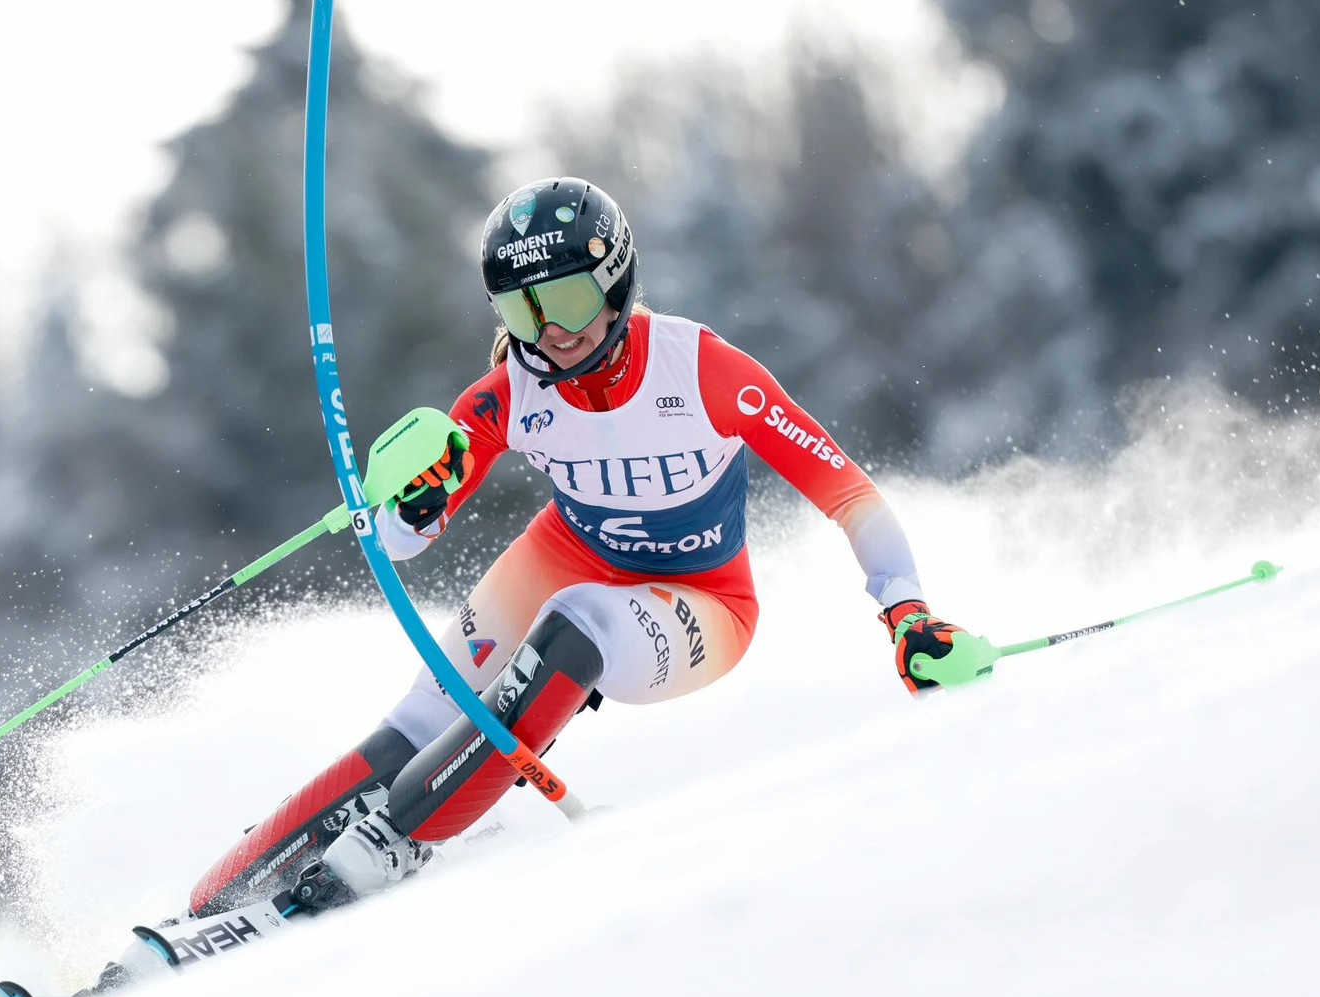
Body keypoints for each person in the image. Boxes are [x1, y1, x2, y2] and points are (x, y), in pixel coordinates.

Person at [176, 176, 974, 923]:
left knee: (575, 622)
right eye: (523, 314)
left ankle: (386, 850)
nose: (551, 334)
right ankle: (214, 900)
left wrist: (906, 613)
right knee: (425, 712)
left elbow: (847, 492)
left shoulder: (702, 370)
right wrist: (412, 505)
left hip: (702, 604)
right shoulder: (508, 394)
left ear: (616, 282)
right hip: (565, 552)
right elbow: (398, 541)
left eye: (564, 300)